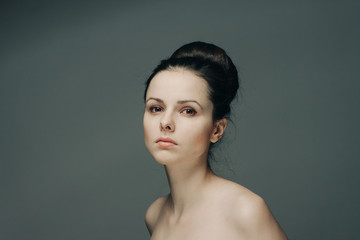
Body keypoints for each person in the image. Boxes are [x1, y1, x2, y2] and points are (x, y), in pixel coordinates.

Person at [143, 41, 287, 239]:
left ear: (217, 129)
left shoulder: (245, 211)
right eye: (156, 108)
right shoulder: (155, 214)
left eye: (188, 111)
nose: (166, 122)